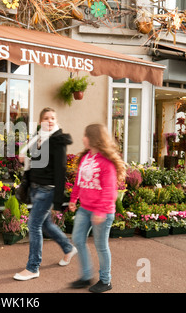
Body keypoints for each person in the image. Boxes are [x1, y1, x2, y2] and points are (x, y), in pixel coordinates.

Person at [13, 107, 77, 281]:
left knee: (33, 226)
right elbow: (40, 163)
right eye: (46, 118)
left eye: (53, 118)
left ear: (56, 121)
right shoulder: (39, 138)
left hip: (47, 190)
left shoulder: (58, 141)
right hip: (35, 187)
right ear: (41, 121)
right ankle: (68, 248)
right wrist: (26, 159)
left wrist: (58, 200)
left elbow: (60, 170)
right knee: (46, 224)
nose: (50, 121)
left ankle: (33, 267)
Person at [68, 124, 126, 293]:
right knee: (78, 239)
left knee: (101, 246)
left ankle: (106, 281)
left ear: (93, 138)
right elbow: (79, 181)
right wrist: (73, 199)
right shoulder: (86, 157)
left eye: (85, 135)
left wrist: (100, 211)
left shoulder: (106, 163)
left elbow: (110, 191)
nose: (83, 138)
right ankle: (86, 276)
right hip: (85, 209)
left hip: (103, 211)